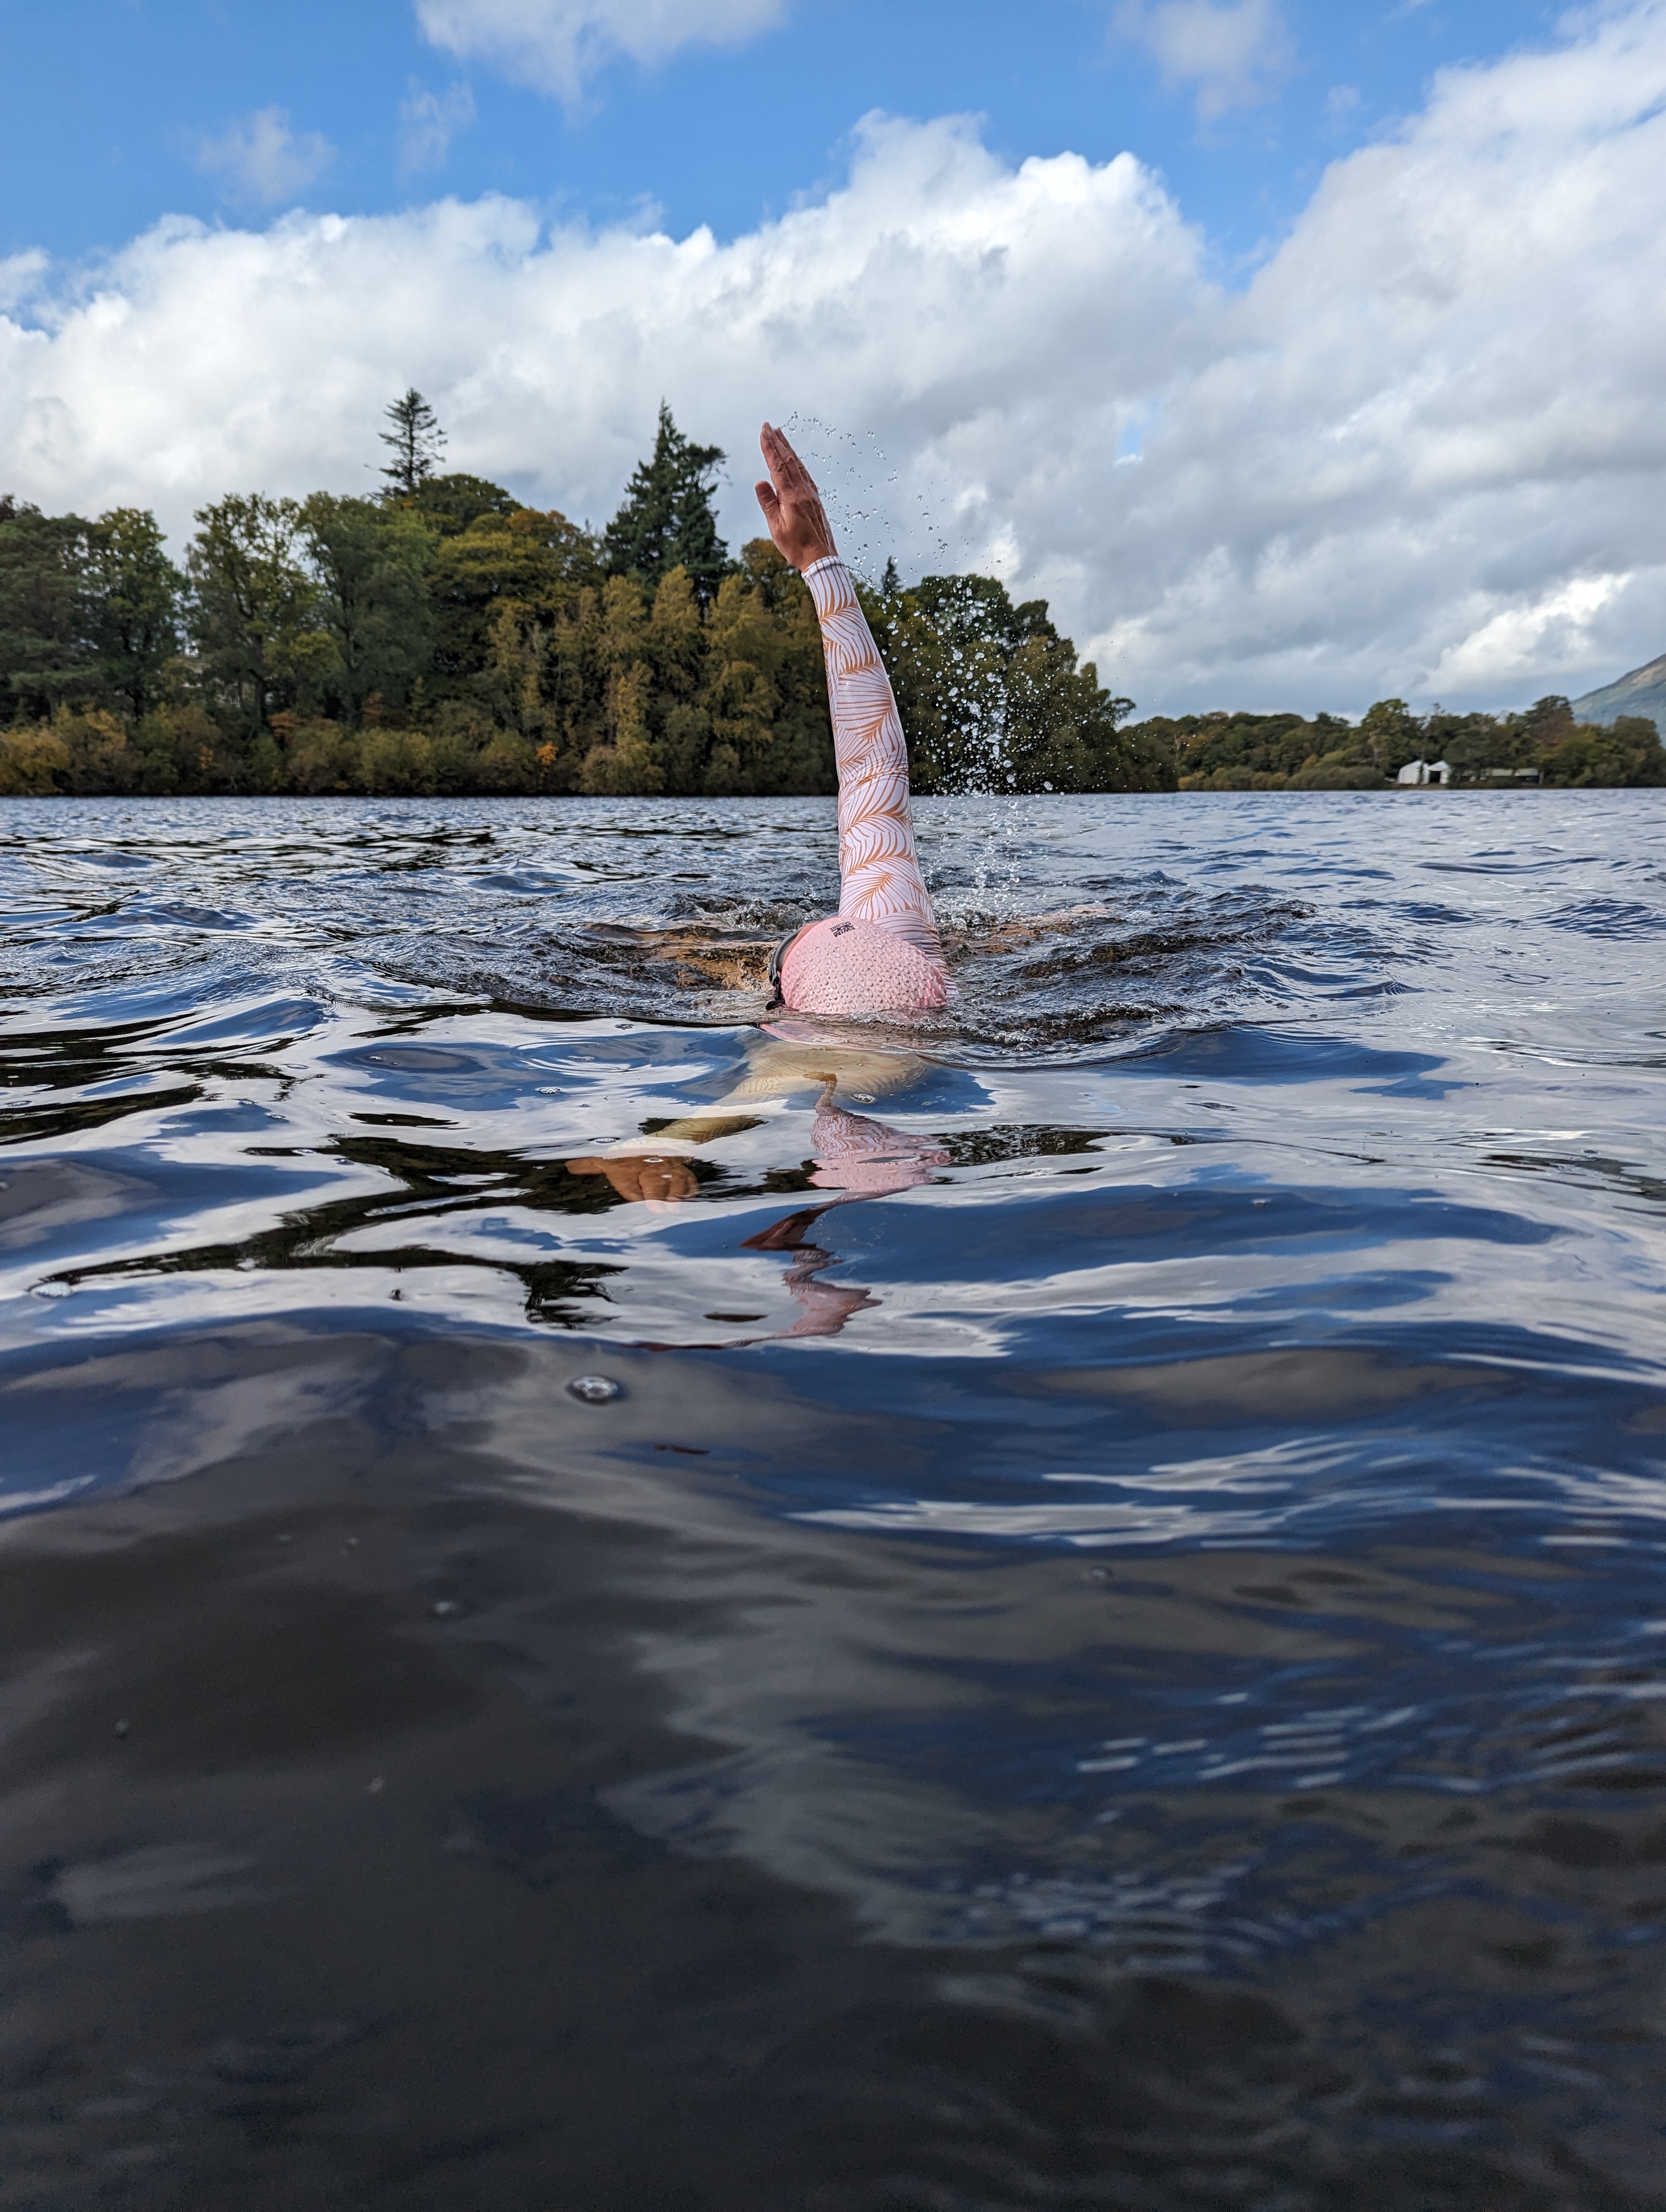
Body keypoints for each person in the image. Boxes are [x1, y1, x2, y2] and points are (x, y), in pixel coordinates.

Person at [753, 423, 949, 1020]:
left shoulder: (901, 933)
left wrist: (819, 564)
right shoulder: (898, 935)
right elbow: (873, 766)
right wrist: (820, 561)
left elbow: (874, 766)